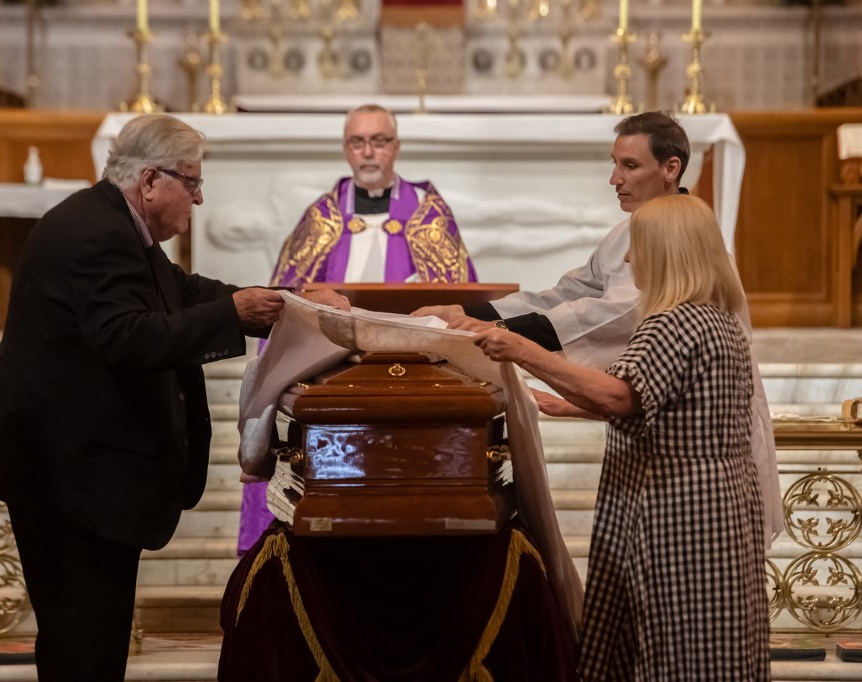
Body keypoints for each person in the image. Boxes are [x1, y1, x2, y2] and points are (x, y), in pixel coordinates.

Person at [0, 114, 348, 682]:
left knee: (87, 640)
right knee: (84, 646)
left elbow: (180, 293)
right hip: (67, 478)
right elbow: (129, 337)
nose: (198, 197)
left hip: (73, 472)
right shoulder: (97, 235)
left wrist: (286, 303)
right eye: (190, 182)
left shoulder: (113, 224)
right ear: (150, 182)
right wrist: (234, 314)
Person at [414, 110, 784, 544]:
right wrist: (472, 311)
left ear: (671, 168)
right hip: (656, 449)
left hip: (699, 464)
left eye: (629, 165)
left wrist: (510, 340)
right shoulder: (627, 233)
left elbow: (615, 315)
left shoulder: (687, 239)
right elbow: (563, 296)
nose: (614, 178)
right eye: (614, 163)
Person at [474, 194, 771, 680]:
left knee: (679, 656)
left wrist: (521, 349)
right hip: (714, 509)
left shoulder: (676, 322)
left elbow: (618, 396)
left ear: (668, 251)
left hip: (681, 519)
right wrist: (563, 405)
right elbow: (674, 409)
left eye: (639, 247)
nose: (630, 258)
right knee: (714, 651)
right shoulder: (715, 319)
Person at [237, 102, 479, 554]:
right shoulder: (320, 218)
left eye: (379, 141)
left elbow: (453, 301)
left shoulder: (429, 215)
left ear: (396, 147)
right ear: (346, 149)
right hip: (331, 379)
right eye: (358, 141)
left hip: (409, 369)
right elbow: (287, 301)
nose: (369, 152)